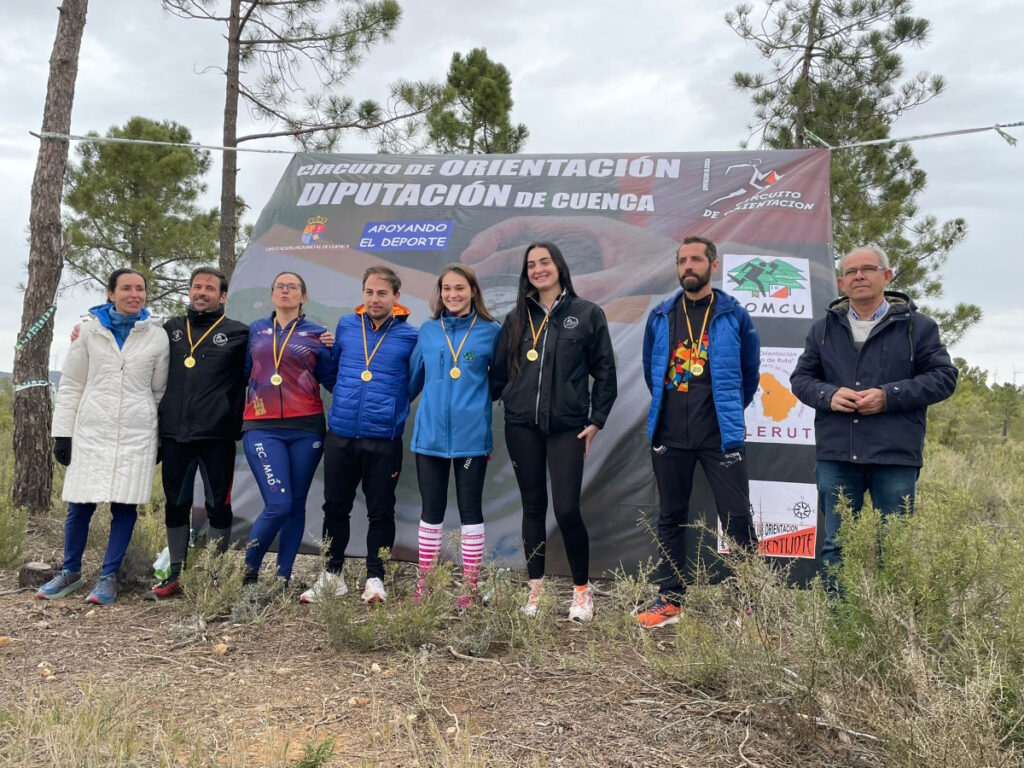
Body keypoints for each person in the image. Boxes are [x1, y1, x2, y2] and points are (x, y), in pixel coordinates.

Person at [790, 245, 958, 594]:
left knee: (894, 548)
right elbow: (801, 380)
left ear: (887, 275)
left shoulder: (918, 328)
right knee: (838, 546)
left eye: (867, 268)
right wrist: (829, 395)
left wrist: (888, 397)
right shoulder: (822, 330)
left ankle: (890, 628)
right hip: (837, 456)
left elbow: (944, 378)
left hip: (895, 456)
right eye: (851, 272)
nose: (859, 276)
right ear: (841, 282)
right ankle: (841, 627)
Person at [636, 236, 760, 628]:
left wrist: (722, 412)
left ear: (714, 265)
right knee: (670, 517)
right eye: (682, 260)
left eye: (696, 259)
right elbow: (650, 372)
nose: (688, 266)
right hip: (670, 435)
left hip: (719, 435)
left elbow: (749, 376)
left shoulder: (733, 315)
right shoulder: (660, 316)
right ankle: (670, 600)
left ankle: (748, 606)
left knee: (737, 518)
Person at [490, 242, 617, 621]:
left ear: (559, 267)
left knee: (565, 508)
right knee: (532, 507)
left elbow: (606, 371)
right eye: (531, 264)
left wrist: (597, 419)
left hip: (567, 428)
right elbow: (497, 374)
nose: (538, 269)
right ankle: (536, 591)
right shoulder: (515, 318)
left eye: (544, 262)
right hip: (522, 427)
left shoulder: (587, 314)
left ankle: (581, 591)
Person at [40, 268, 170, 605]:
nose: (134, 294)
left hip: (136, 433)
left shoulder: (156, 335)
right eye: (126, 288)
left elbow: (159, 391)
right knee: (79, 505)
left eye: (140, 289)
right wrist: (63, 434)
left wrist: (155, 437)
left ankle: (108, 577)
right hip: (92, 428)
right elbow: (70, 385)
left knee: (124, 507)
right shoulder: (88, 332)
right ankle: (70, 572)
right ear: (110, 293)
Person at [302, 265, 418, 605]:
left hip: (383, 438)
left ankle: (375, 579)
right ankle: (331, 576)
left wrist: (393, 405)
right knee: (334, 507)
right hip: (340, 435)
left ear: (397, 297)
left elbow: (416, 381)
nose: (374, 298)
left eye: (382, 293)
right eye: (369, 292)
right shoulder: (347, 326)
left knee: (380, 511)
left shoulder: (411, 337)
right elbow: (334, 369)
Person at [145, 267, 250, 599]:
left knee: (218, 505)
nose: (201, 292)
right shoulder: (170, 330)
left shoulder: (239, 333)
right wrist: (85, 328)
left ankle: (214, 577)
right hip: (175, 434)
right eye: (196, 286)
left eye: (209, 288)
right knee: (176, 504)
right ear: (190, 291)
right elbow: (138, 341)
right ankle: (174, 575)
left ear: (222, 297)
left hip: (216, 436)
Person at [406, 264, 501, 609]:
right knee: (431, 511)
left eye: (459, 288)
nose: (452, 295)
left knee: (469, 511)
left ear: (473, 290)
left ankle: (470, 589)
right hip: (429, 437)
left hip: (471, 438)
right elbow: (413, 380)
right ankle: (425, 584)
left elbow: (500, 381)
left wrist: (472, 407)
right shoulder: (429, 331)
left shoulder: (491, 331)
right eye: (446, 289)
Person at [240, 271, 336, 586]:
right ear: (272, 294)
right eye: (280, 285)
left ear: (303, 297)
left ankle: (283, 576)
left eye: (292, 286)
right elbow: (241, 374)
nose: (285, 290)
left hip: (306, 427)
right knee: (278, 503)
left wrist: (334, 351)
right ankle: (248, 574)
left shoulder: (318, 334)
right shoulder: (255, 330)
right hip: (262, 426)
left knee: (295, 504)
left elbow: (332, 379)